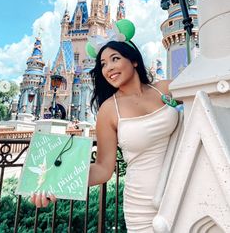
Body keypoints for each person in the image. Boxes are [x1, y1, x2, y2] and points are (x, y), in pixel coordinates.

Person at [31, 21, 179, 232]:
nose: (108, 67)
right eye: (103, 64)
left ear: (134, 60)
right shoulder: (109, 111)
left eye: (115, 59)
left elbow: (203, 92)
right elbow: (102, 168)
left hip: (182, 191)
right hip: (143, 205)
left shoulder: (162, 89)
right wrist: (55, 182)